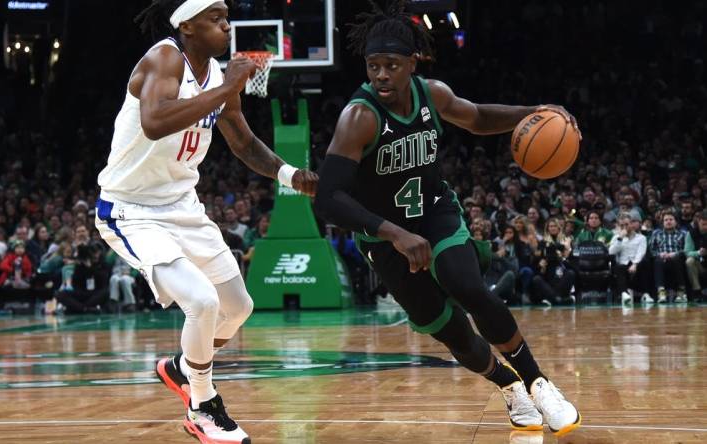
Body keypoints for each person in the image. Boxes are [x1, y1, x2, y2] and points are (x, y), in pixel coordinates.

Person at [313, 1, 580, 436]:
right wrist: (394, 233)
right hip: (385, 239)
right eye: (373, 66)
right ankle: (508, 384)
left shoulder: (431, 94)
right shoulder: (358, 118)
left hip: (435, 213)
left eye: (391, 66)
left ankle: (538, 380)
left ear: (412, 64)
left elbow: (476, 118)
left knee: (468, 287)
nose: (381, 75)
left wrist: (535, 113)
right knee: (451, 332)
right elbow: (328, 198)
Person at [96, 1, 317, 442]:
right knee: (201, 302)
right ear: (188, 27)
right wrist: (226, 89)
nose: (226, 25)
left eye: (226, 16)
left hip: (181, 205)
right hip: (131, 210)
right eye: (215, 18)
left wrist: (291, 175)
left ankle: (181, 366)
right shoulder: (164, 58)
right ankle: (202, 405)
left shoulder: (218, 74)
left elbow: (242, 140)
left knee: (238, 306)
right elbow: (156, 122)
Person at [608, 213, 648, 305]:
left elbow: (641, 253)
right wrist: (620, 238)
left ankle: (646, 294)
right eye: (622, 225)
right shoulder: (616, 238)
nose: (625, 227)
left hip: (637, 264)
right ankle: (624, 293)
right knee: (618, 267)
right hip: (623, 266)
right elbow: (611, 252)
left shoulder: (641, 238)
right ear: (618, 226)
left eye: (627, 224)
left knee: (645, 262)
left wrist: (635, 264)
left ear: (631, 224)